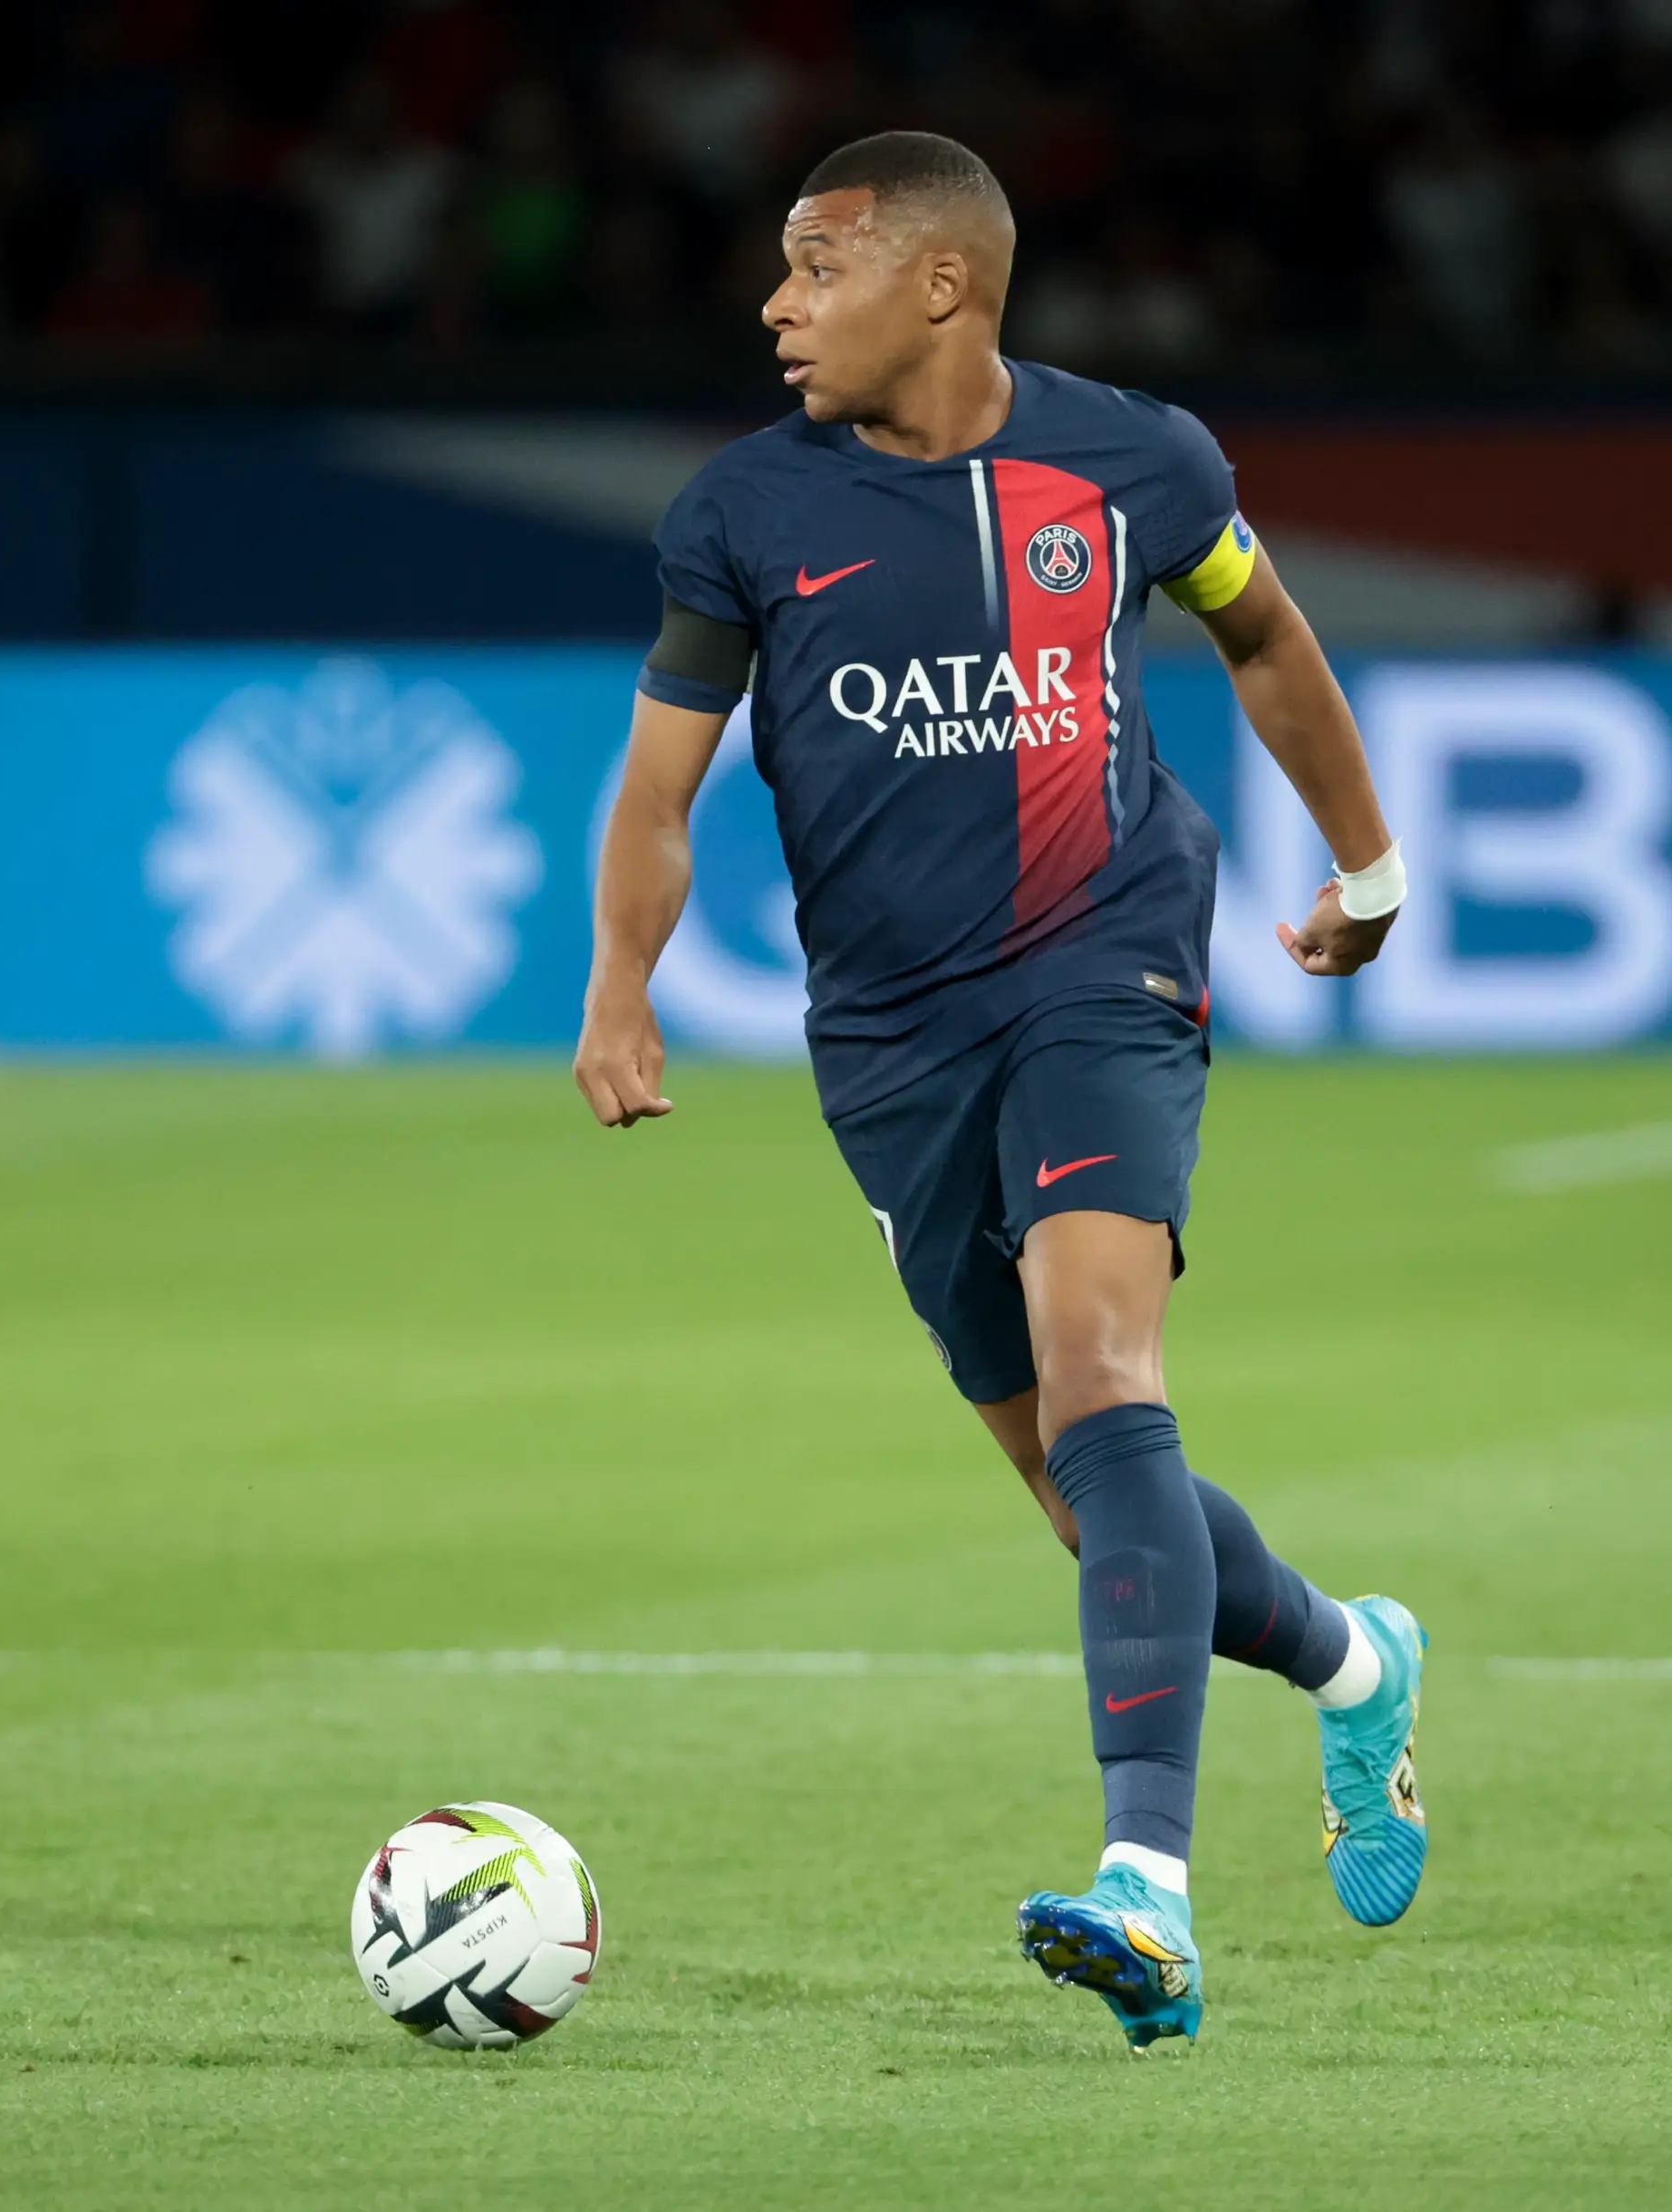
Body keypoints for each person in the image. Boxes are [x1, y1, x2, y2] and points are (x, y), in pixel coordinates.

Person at [574, 131, 1425, 2053]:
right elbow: (657, 785)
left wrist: (1367, 866)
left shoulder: (1141, 467)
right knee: (1085, 1494)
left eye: (815, 267)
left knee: (1113, 1373)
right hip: (887, 1039)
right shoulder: (739, 515)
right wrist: (620, 990)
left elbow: (1265, 633)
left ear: (942, 285)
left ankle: (1152, 1887)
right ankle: (1360, 1659)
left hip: (1104, 960)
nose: (778, 308)